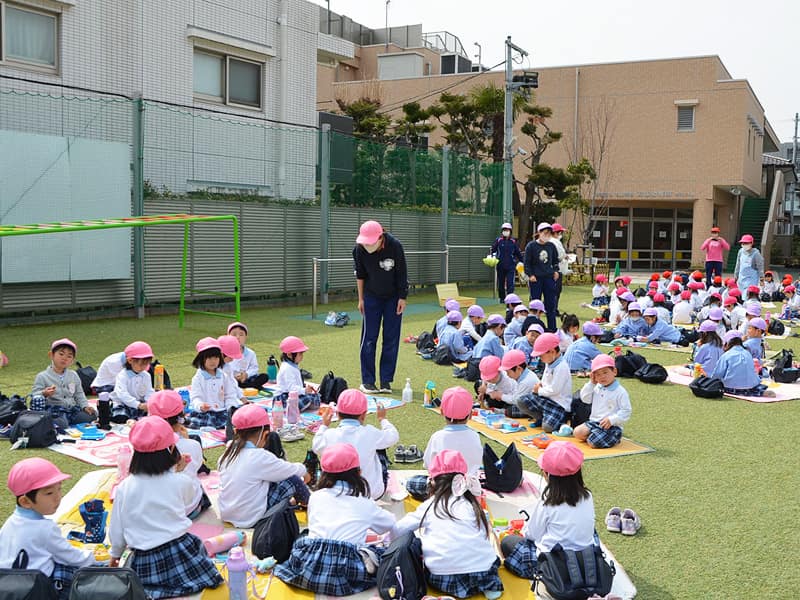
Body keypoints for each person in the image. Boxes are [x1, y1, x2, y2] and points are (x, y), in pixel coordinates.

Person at [108, 417, 223, 598]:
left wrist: (115, 555)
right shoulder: (179, 481)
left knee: (140, 587)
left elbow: (118, 528)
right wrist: (182, 472)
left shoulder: (125, 487)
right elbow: (191, 499)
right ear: (170, 450)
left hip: (146, 559)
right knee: (196, 546)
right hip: (181, 552)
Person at [274, 444, 397, 596]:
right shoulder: (364, 502)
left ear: (324, 474)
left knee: (305, 534)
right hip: (346, 570)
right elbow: (391, 523)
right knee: (380, 554)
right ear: (358, 473)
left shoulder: (316, 497)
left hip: (309, 563)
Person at [393, 450, 503, 600]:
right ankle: (489, 587)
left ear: (432, 481)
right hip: (483, 573)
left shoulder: (431, 505)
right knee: (489, 559)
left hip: (444, 578)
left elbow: (399, 529)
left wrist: (387, 540)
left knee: (414, 540)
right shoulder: (472, 505)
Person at [0, 458, 98, 598]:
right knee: (69, 570)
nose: (58, 497)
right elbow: (73, 557)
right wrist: (97, 559)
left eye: (59, 489)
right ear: (25, 501)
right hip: (37, 591)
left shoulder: (9, 523)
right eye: (49, 493)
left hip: (7, 590)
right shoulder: (45, 528)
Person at [501, 442, 597, 580]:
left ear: (547, 474)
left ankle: (546, 575)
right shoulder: (587, 496)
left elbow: (532, 534)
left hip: (554, 564)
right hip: (586, 560)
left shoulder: (548, 502)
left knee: (508, 542)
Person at [218, 404, 310, 527]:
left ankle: (295, 502)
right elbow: (291, 471)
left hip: (227, 513)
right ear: (265, 434)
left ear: (235, 431)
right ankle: (310, 503)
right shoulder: (259, 456)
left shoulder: (227, 454)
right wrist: (304, 471)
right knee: (292, 479)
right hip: (254, 518)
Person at [312, 389, 399, 500]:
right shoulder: (370, 432)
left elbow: (316, 446)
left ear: (337, 414)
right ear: (363, 415)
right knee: (380, 450)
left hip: (336, 492)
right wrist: (382, 419)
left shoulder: (330, 434)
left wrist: (324, 426)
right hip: (369, 491)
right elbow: (393, 436)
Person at [353, 220, 408, 395]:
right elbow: (360, 276)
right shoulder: (359, 249)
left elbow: (402, 273)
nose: (368, 245)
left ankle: (386, 381)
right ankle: (367, 381)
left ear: (380, 237)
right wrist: (361, 299)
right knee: (369, 338)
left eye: (371, 242)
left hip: (393, 297)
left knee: (391, 339)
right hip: (371, 297)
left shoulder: (395, 246)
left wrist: (402, 297)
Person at [405, 386, 482, 500]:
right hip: (468, 489)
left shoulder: (437, 437)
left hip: (441, 488)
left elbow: (427, 464)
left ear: (441, 411)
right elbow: (477, 462)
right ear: (470, 414)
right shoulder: (475, 436)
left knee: (411, 482)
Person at [147, 390, 210, 519]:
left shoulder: (142, 449)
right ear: (180, 418)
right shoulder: (191, 445)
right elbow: (196, 467)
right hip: (186, 510)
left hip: (154, 511)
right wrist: (186, 439)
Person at [31, 338, 96, 429]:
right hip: (54, 410)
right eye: (61, 354)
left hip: (72, 409)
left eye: (69, 356)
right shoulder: (42, 376)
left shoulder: (73, 375)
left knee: (92, 415)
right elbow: (34, 395)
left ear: (72, 361)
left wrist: (85, 406)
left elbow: (79, 394)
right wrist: (44, 393)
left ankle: (65, 420)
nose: (64, 358)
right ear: (51, 355)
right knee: (62, 423)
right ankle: (59, 422)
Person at [517, 333, 572, 432]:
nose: (540, 359)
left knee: (548, 428)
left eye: (541, 356)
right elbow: (545, 381)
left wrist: (539, 390)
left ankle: (561, 421)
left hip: (558, 404)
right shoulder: (549, 362)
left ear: (552, 352)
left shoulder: (561, 367)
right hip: (546, 399)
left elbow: (554, 390)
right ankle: (542, 418)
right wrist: (540, 386)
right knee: (521, 401)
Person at [574, 355, 632, 448]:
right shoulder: (596, 387)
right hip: (594, 422)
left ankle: (614, 437)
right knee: (577, 433)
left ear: (614, 371)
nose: (602, 377)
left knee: (593, 443)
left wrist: (612, 419)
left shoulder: (620, 391)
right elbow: (585, 399)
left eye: (605, 372)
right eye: (598, 374)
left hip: (611, 426)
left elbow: (626, 411)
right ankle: (597, 436)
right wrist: (591, 383)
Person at [187, 337, 241, 430]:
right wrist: (200, 405)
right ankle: (209, 427)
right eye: (209, 358)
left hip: (222, 411)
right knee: (206, 420)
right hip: (206, 413)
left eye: (216, 358)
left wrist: (230, 407)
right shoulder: (198, 378)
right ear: (201, 358)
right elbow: (195, 397)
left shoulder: (223, 376)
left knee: (237, 417)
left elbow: (230, 394)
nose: (213, 361)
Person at [710, 331, 774, 397]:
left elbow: (717, 375)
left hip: (731, 387)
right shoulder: (747, 353)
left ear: (727, 343)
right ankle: (758, 392)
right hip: (751, 386)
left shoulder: (726, 355)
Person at [524, 222, 560, 331]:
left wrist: (556, 271)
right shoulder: (531, 246)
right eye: (545, 233)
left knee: (550, 304)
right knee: (535, 304)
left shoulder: (551, 246)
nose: (547, 235)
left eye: (549, 233)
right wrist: (530, 275)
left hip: (549, 278)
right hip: (536, 278)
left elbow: (555, 261)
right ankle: (533, 328)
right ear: (539, 233)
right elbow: (527, 263)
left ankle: (552, 329)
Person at [110, 341, 154, 422]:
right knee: (120, 417)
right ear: (130, 361)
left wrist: (149, 404)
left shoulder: (146, 375)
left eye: (146, 364)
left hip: (139, 403)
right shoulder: (122, 376)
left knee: (152, 413)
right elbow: (122, 394)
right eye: (141, 364)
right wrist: (138, 405)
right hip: (123, 403)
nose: (144, 367)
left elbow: (149, 392)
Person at [275, 336, 320, 412]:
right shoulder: (287, 368)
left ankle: (298, 407)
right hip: (284, 397)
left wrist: (305, 388)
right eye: (300, 354)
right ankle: (291, 409)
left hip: (293, 395)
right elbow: (291, 388)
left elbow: (297, 383)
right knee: (308, 399)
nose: (302, 356)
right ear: (289, 354)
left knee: (315, 397)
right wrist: (304, 390)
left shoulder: (292, 366)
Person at [496, 349, 540, 418]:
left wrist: (501, 396)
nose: (507, 375)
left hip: (533, 406)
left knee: (511, 410)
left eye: (508, 372)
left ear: (518, 368)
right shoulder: (521, 375)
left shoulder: (526, 382)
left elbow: (515, 400)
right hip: (521, 400)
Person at [225, 322, 268, 389]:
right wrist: (234, 377)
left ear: (246, 337)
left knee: (264, 376)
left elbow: (254, 368)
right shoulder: (225, 354)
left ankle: (248, 385)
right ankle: (250, 386)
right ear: (228, 336)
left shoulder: (251, 353)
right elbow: (223, 368)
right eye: (234, 334)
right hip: (232, 379)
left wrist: (246, 374)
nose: (237, 337)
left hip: (247, 378)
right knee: (229, 382)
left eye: (241, 335)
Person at [490, 222, 523, 301]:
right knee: (500, 283)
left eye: (507, 230)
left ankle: (510, 298)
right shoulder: (498, 240)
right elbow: (493, 250)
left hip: (511, 265)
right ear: (502, 231)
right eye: (504, 230)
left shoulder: (513, 241)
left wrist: (522, 261)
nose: (506, 231)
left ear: (510, 231)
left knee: (510, 283)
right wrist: (491, 257)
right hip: (500, 265)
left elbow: (517, 253)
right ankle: (502, 298)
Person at [551, 223, 570, 311]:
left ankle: (552, 307)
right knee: (556, 290)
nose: (561, 235)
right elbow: (560, 255)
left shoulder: (553, 241)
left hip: (554, 269)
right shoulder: (555, 242)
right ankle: (553, 308)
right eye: (560, 232)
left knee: (554, 290)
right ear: (555, 233)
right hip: (556, 269)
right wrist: (565, 257)